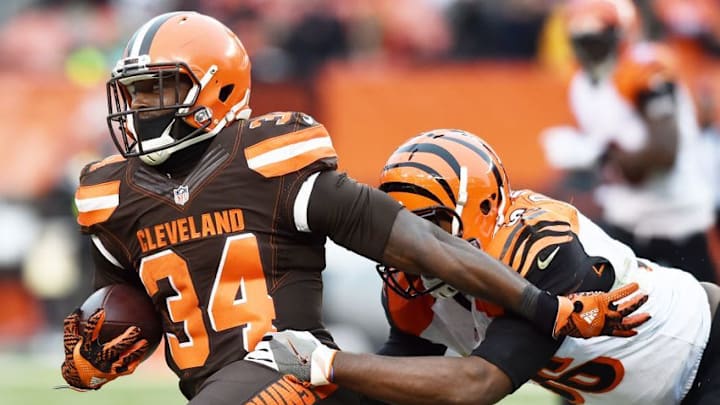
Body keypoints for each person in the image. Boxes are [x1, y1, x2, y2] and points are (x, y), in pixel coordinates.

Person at [59, 11, 649, 405]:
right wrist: (98, 351)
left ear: (213, 89)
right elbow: (126, 302)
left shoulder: (272, 160)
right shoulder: (109, 196)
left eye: (153, 90)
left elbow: (428, 244)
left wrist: (544, 309)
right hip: (214, 384)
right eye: (132, 92)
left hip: (284, 370)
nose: (137, 108)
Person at [248, 129, 720, 405]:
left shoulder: (541, 249)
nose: (412, 246)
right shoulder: (412, 285)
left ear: (483, 207)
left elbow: (476, 385)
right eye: (400, 229)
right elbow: (398, 378)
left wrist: (327, 363)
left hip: (706, 351)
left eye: (430, 224)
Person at [540, 0, 717, 282]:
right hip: (627, 217)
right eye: (581, 35)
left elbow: (664, 153)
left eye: (596, 33)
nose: (589, 44)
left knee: (706, 310)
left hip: (677, 216)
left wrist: (598, 156)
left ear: (620, 32)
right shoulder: (581, 83)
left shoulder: (644, 67)